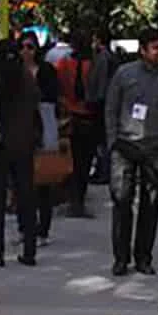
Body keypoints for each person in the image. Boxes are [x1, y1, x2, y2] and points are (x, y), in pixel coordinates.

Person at [105, 28, 158, 277]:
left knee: (150, 205)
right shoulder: (124, 74)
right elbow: (111, 108)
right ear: (143, 50)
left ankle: (143, 258)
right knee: (122, 201)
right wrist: (112, 142)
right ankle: (120, 258)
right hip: (125, 146)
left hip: (155, 148)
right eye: (156, 47)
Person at [0, 41, 40, 268]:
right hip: (23, 145)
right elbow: (35, 111)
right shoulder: (27, 78)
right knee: (26, 197)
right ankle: (29, 251)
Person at [16, 32, 59, 246]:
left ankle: (43, 230)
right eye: (22, 47)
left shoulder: (47, 71)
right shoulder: (14, 71)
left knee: (43, 181)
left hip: (43, 125)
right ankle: (25, 228)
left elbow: (52, 98)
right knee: (21, 182)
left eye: (30, 47)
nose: (25, 51)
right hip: (21, 128)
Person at [56, 33, 100, 218]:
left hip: (76, 117)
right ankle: (77, 200)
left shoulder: (65, 64)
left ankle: (75, 200)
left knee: (75, 163)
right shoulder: (94, 65)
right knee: (81, 163)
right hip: (83, 118)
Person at [88, 31, 115, 184]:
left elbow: (101, 81)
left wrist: (96, 99)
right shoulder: (106, 56)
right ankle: (102, 170)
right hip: (103, 101)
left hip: (102, 103)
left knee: (102, 141)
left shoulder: (103, 57)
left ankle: (104, 172)